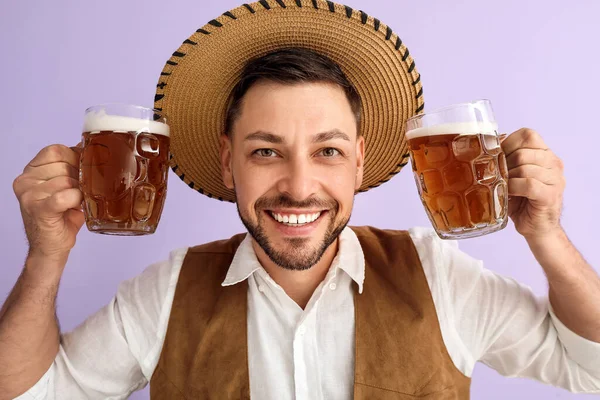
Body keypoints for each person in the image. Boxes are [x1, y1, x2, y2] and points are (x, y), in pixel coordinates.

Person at [2, 1, 599, 399]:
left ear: (359, 162)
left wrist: (545, 234)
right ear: (227, 163)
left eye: (328, 152)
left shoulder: (439, 276)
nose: (298, 184)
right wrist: (46, 255)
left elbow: (589, 366)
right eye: (265, 151)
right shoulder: (165, 292)